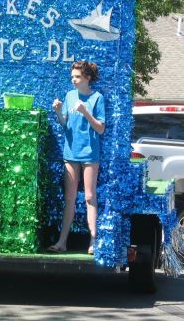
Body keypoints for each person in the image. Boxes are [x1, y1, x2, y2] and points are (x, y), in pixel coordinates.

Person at [48, 61, 105, 255]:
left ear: (87, 78)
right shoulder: (69, 96)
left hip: (90, 153)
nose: (74, 80)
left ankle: (93, 241)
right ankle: (62, 242)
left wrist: (86, 112)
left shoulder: (97, 98)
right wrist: (58, 112)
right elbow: (65, 125)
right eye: (72, 77)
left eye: (77, 77)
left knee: (90, 196)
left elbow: (100, 128)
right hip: (70, 152)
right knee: (70, 198)